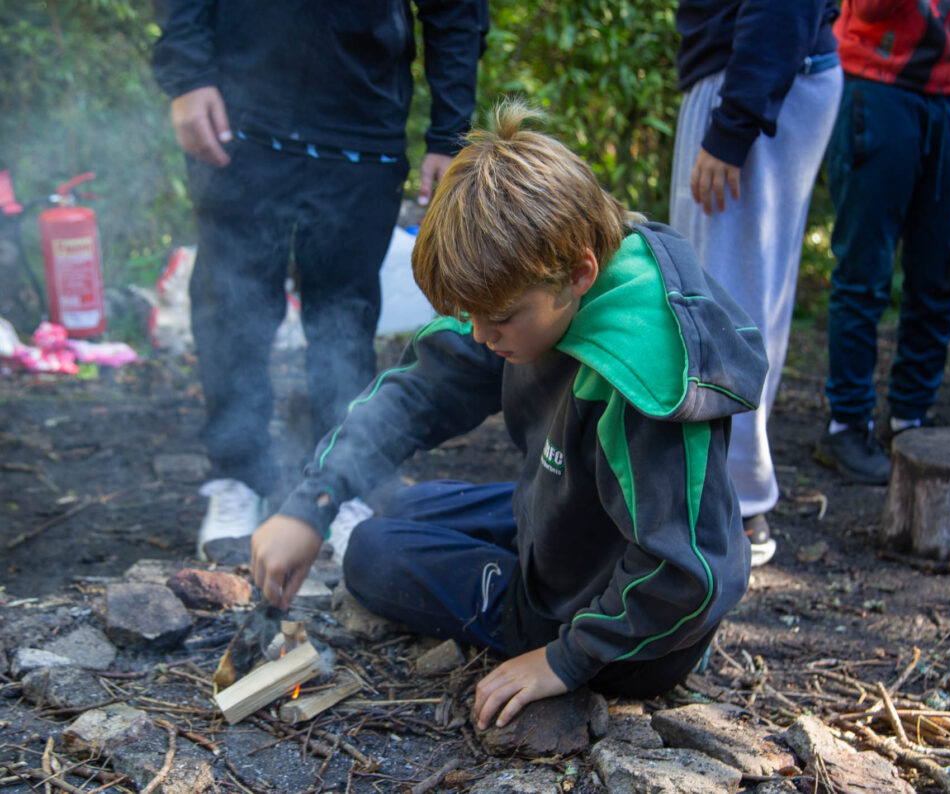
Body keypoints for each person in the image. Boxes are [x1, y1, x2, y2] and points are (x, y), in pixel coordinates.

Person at [250, 101, 769, 729]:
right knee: (404, 506)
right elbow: (418, 393)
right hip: (577, 524)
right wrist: (312, 502)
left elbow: (693, 571)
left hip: (625, 634)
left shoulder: (638, 376)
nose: (479, 334)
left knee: (369, 550)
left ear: (579, 272)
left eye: (496, 319)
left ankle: (538, 619)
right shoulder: (533, 281)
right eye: (469, 315)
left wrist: (564, 659)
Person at [150, 1, 489, 556]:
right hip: (239, 105)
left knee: (346, 315)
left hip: (362, 116)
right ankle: (237, 475)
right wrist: (187, 74)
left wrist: (450, 133)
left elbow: (455, 8)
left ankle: (339, 484)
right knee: (230, 298)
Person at [814, 0, 950, 484]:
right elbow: (871, 10)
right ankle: (847, 424)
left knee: (943, 272)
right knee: (864, 271)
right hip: (878, 87)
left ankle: (910, 417)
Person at [670, 0, 843, 565]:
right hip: (757, 72)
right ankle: (728, 495)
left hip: (754, 74)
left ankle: (732, 504)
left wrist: (734, 122)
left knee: (724, 301)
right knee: (736, 291)